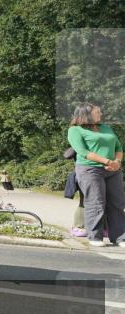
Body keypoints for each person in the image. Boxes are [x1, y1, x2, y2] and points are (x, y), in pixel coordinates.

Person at [67, 103, 125, 248]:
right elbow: (83, 151)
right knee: (95, 202)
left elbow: (118, 147)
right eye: (97, 112)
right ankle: (95, 236)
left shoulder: (106, 127)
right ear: (86, 115)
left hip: (112, 169)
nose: (100, 114)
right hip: (90, 170)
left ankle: (120, 237)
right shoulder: (75, 130)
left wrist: (117, 161)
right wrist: (107, 161)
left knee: (117, 203)